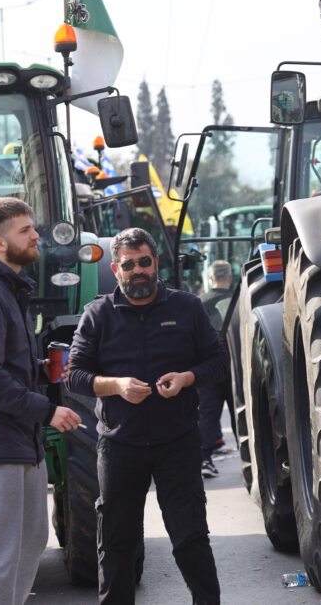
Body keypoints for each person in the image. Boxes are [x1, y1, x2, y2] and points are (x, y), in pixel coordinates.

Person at [65, 227, 226, 605]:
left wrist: (187, 378)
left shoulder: (186, 307)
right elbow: (73, 376)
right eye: (128, 265)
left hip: (178, 443)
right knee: (118, 544)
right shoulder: (97, 314)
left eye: (144, 262)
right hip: (120, 445)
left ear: (156, 262)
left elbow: (218, 362)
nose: (137, 271)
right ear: (115, 269)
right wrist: (116, 385)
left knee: (190, 539)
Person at [0, 197, 82, 605]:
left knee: (31, 538)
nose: (35, 236)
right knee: (0, 548)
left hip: (20, 437)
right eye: (25, 230)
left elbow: (1, 365)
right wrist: (48, 409)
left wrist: (40, 369)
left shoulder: (8, 287)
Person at [198, 260, 235, 477]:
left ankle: (204, 459)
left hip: (208, 365)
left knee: (207, 414)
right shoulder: (238, 301)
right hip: (235, 363)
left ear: (211, 278)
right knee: (242, 411)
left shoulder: (199, 302)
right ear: (229, 277)